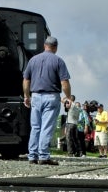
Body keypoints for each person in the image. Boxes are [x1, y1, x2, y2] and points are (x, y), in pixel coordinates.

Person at [22, 36, 71, 165]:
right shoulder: (58, 61)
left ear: (45, 45)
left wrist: (27, 96)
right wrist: (68, 97)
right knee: (46, 127)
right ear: (55, 47)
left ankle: (32, 156)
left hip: (36, 96)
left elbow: (26, 80)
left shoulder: (33, 60)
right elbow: (64, 82)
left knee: (35, 127)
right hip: (51, 96)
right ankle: (43, 156)